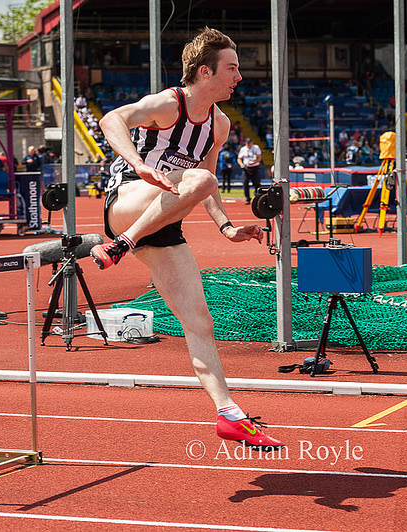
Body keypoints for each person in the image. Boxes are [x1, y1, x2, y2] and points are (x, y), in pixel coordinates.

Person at [89, 27, 283, 449]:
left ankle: (229, 414)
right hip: (127, 202)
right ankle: (121, 243)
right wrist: (139, 164)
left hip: (161, 223)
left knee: (199, 321)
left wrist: (227, 228)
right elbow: (110, 119)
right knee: (199, 178)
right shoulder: (168, 103)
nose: (239, 77)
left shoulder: (219, 124)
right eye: (231, 68)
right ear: (204, 71)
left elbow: (205, 185)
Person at [236, 137, 262, 204]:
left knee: (257, 183)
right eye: (247, 143)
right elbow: (239, 158)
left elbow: (259, 157)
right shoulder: (243, 149)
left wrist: (255, 162)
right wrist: (241, 164)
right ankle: (247, 198)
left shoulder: (256, 148)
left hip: (255, 167)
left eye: (250, 143)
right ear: (245, 143)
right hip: (246, 168)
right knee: (245, 183)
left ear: (252, 143)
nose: (249, 145)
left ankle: (257, 198)